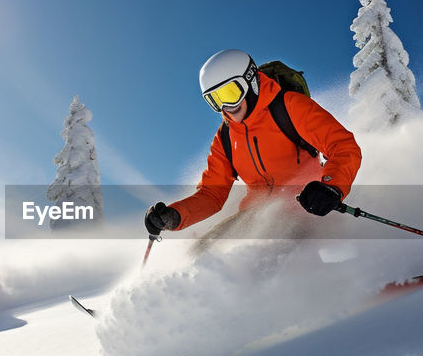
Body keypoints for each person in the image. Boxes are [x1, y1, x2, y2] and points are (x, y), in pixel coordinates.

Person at [145, 49, 363, 235]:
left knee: (271, 254)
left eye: (230, 93)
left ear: (250, 82)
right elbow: (212, 194)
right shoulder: (225, 138)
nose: (226, 107)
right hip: (256, 217)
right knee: (204, 253)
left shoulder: (289, 106)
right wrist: (174, 215)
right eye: (215, 100)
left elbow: (342, 146)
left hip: (308, 207)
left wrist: (331, 187)